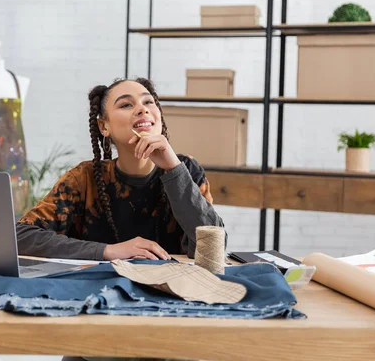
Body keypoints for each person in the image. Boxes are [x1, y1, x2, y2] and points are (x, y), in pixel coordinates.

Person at [16, 77, 225, 261]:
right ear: (103, 127)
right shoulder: (84, 178)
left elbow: (212, 249)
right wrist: (108, 251)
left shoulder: (186, 169)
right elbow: (21, 235)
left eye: (148, 102)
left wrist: (173, 169)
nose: (143, 109)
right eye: (126, 104)